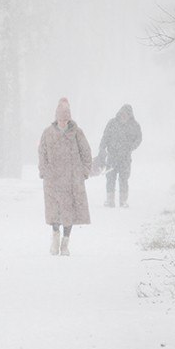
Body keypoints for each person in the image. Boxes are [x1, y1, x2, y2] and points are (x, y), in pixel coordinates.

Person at [38, 98, 93, 256]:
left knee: (69, 211)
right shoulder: (47, 133)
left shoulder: (77, 133)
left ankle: (65, 243)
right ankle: (55, 238)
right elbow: (42, 153)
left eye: (66, 118)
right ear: (56, 117)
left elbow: (86, 152)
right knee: (54, 210)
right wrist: (44, 170)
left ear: (69, 118)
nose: (63, 121)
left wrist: (84, 171)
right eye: (61, 118)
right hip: (53, 179)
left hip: (71, 179)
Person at [97, 104, 142, 208]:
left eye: (126, 114)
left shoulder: (134, 125)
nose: (124, 116)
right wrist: (102, 149)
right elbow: (105, 137)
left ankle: (123, 201)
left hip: (125, 158)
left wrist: (131, 147)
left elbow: (139, 138)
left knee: (124, 179)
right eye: (122, 113)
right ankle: (110, 200)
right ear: (120, 113)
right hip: (112, 157)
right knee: (110, 178)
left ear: (130, 115)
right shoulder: (112, 123)